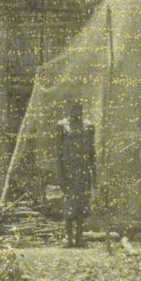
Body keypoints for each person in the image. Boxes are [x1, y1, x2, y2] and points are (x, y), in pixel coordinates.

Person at [55, 101, 97, 247]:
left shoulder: (89, 126)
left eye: (78, 108)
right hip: (69, 172)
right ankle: (69, 238)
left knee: (82, 205)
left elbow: (92, 153)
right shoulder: (62, 125)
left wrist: (95, 176)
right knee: (69, 205)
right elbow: (59, 153)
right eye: (73, 108)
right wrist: (60, 175)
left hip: (83, 171)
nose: (76, 111)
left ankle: (79, 238)